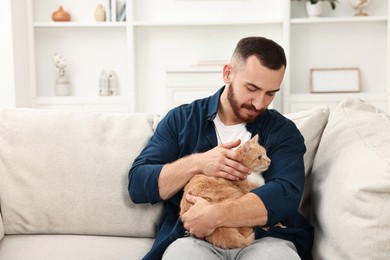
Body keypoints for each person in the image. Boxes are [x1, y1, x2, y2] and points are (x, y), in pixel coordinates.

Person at [128, 36, 313, 260]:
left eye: (270, 93)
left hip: (266, 239)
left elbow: (286, 194)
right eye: (252, 88)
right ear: (227, 73)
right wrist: (198, 163)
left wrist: (216, 215)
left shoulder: (283, 131)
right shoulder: (182, 120)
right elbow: (138, 184)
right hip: (194, 240)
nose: (259, 103)